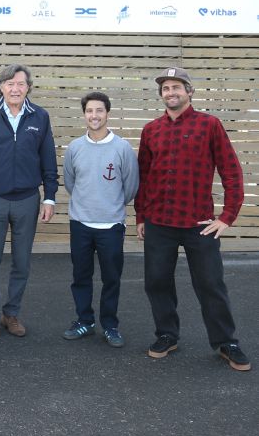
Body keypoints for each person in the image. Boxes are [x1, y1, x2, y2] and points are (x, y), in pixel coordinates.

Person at [136, 67, 250, 371]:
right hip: (159, 222)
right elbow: (144, 177)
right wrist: (141, 216)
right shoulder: (151, 130)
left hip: (199, 224)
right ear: (161, 95)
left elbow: (231, 171)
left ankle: (226, 342)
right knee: (157, 282)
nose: (170, 93)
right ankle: (166, 334)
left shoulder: (210, 125)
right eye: (166, 88)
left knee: (211, 284)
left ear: (189, 92)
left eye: (176, 87)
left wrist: (227, 217)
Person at [0, 64, 58, 341]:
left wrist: (50, 196)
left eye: (20, 84)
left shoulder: (39, 116)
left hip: (27, 200)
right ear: (0, 87)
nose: (15, 89)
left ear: (28, 86)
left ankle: (12, 313)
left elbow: (48, 159)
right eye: (9, 84)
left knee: (22, 261)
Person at [62, 92, 138, 348]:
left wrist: (110, 205)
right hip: (81, 223)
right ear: (84, 114)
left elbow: (130, 186)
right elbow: (71, 183)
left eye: (99, 111)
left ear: (107, 113)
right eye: (89, 111)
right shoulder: (74, 148)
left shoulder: (122, 148)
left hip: (111, 225)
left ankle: (110, 325)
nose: (94, 115)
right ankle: (84, 320)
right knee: (81, 276)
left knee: (111, 278)